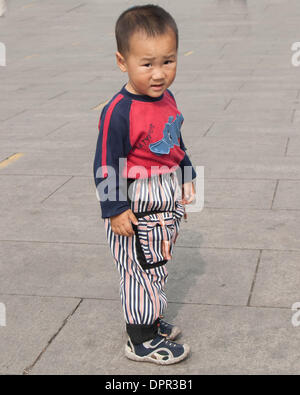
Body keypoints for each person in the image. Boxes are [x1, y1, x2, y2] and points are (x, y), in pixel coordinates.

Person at [93, 4, 197, 365]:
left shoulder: (167, 99)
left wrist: (186, 173)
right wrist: (115, 209)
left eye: (168, 61)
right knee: (138, 269)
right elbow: (107, 165)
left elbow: (173, 140)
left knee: (157, 263)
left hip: (164, 198)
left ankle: (151, 321)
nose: (159, 74)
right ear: (123, 62)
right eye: (147, 64)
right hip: (136, 204)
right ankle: (140, 339)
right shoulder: (119, 110)